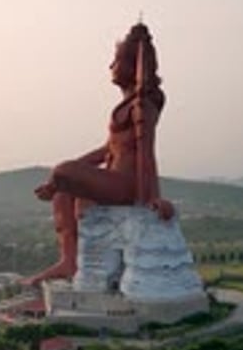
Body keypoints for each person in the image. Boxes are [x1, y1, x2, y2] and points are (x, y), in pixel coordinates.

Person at [23, 22, 174, 286]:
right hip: (112, 180)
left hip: (126, 186)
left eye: (115, 61)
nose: (110, 67)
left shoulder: (142, 105)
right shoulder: (126, 106)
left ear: (130, 65)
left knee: (63, 172)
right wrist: (55, 181)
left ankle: (72, 256)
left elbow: (147, 153)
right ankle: (68, 261)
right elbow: (108, 150)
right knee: (62, 189)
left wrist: (152, 198)